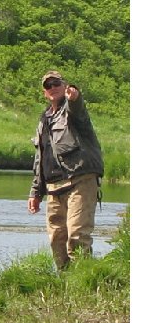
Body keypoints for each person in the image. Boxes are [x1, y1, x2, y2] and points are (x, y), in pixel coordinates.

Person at [28, 71, 104, 270]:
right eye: (47, 85)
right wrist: (35, 192)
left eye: (56, 83)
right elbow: (40, 158)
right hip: (54, 186)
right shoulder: (44, 119)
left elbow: (77, 107)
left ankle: (83, 283)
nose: (52, 88)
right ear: (44, 92)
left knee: (77, 235)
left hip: (80, 180)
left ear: (64, 86)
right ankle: (66, 284)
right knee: (56, 239)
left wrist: (75, 97)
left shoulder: (72, 110)